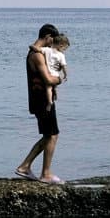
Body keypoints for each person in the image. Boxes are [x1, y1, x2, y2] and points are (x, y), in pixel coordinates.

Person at [15, 23, 65, 184]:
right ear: (47, 37)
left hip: (40, 99)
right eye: (53, 40)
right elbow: (48, 79)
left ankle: (25, 166)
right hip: (42, 101)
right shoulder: (36, 56)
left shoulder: (36, 53)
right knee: (52, 135)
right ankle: (46, 173)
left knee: (49, 135)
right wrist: (60, 79)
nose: (53, 44)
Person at [39, 33, 70, 112]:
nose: (64, 51)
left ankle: (50, 101)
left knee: (48, 88)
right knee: (54, 85)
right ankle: (53, 95)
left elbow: (37, 49)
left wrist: (32, 46)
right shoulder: (61, 55)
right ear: (61, 46)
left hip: (48, 73)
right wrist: (66, 75)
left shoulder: (47, 49)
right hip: (55, 74)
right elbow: (63, 66)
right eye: (64, 49)